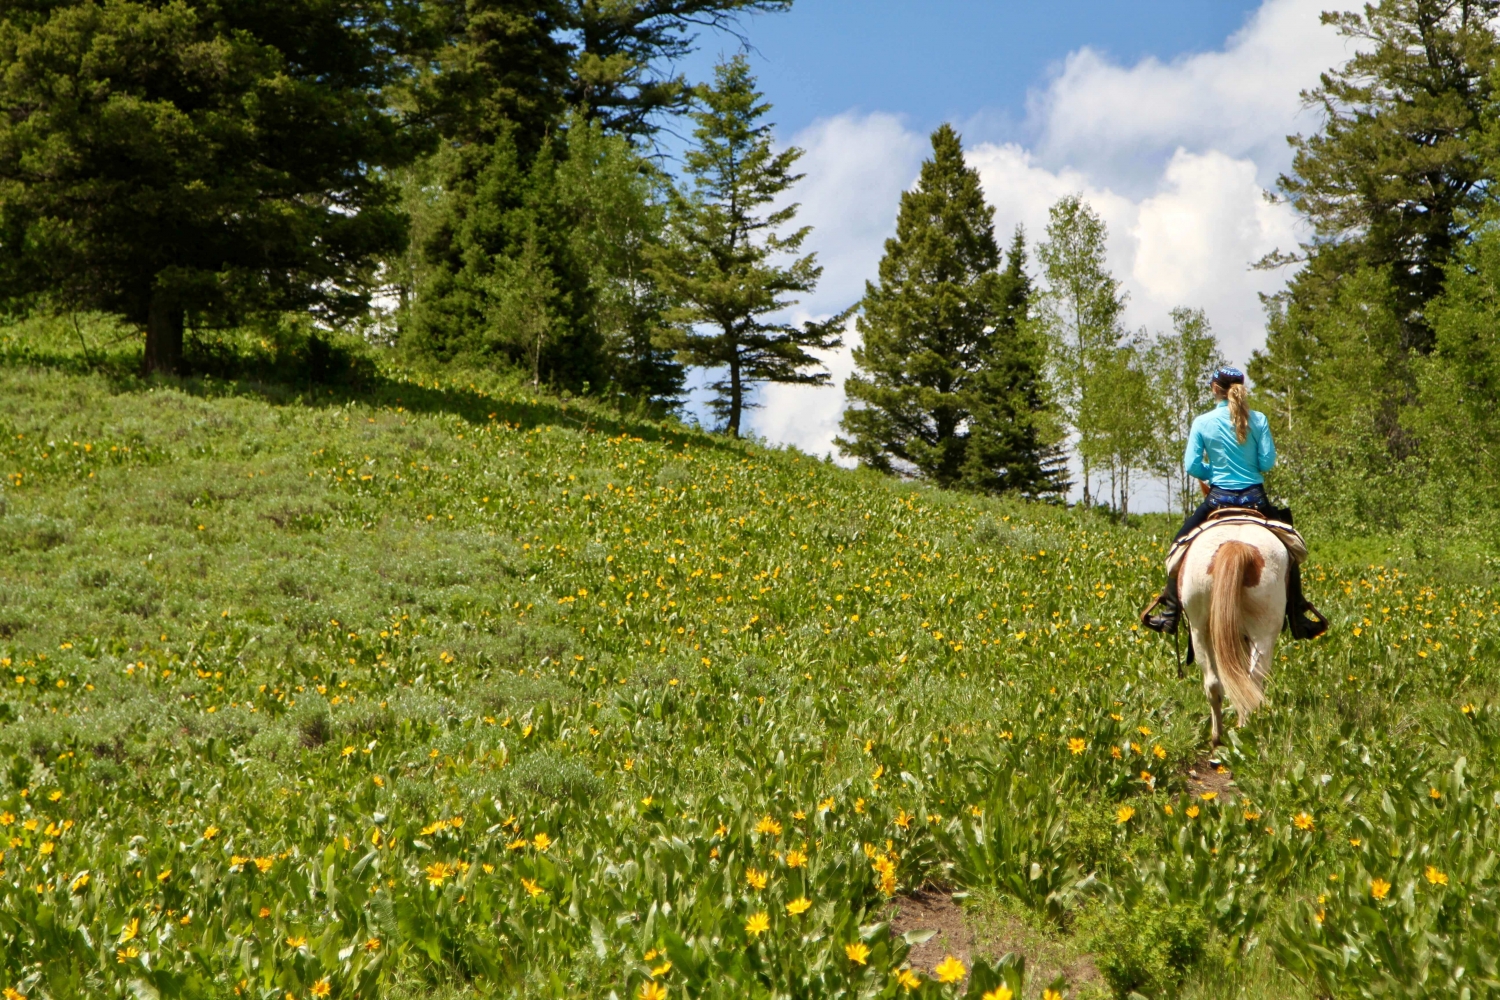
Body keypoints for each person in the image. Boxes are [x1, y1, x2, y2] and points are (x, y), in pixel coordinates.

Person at [1140, 366, 1327, 639]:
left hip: (1217, 500)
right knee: (1289, 550)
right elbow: (1267, 463)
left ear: (1215, 389)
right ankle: (1298, 615)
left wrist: (1213, 473)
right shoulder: (1259, 419)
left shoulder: (1202, 422)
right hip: (1255, 500)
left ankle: (1170, 613)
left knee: (1178, 548)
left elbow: (1192, 465)